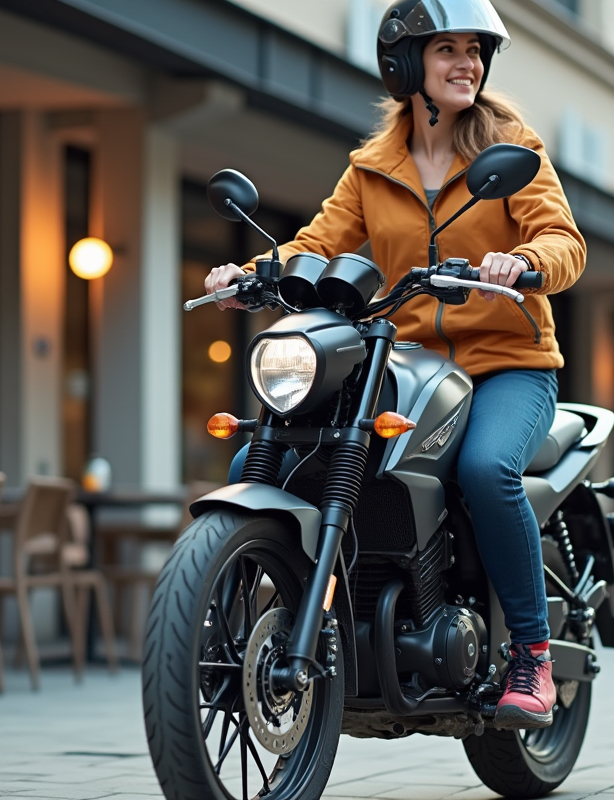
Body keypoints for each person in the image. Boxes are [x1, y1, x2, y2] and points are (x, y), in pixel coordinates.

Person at [205, 0, 585, 730]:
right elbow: (316, 244)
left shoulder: (512, 147)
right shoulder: (372, 169)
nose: (467, 63)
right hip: (409, 368)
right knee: (263, 458)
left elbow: (563, 241)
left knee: (485, 470)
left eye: (475, 50)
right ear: (405, 63)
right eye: (448, 49)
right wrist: (249, 274)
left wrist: (524, 261)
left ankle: (531, 655)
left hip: (507, 365)